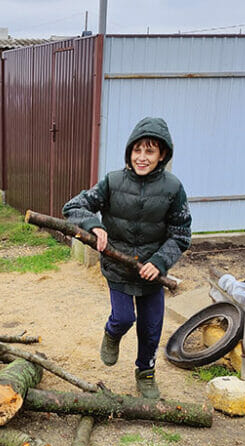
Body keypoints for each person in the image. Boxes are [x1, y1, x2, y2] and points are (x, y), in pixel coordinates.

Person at [62, 117, 191, 399]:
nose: (142, 157)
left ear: (163, 155)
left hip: (151, 273)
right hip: (118, 268)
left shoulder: (173, 188)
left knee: (151, 328)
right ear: (129, 152)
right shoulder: (113, 181)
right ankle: (112, 334)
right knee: (123, 318)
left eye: (150, 151)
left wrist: (159, 262)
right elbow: (74, 206)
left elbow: (181, 234)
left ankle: (145, 373)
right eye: (137, 150)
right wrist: (93, 225)